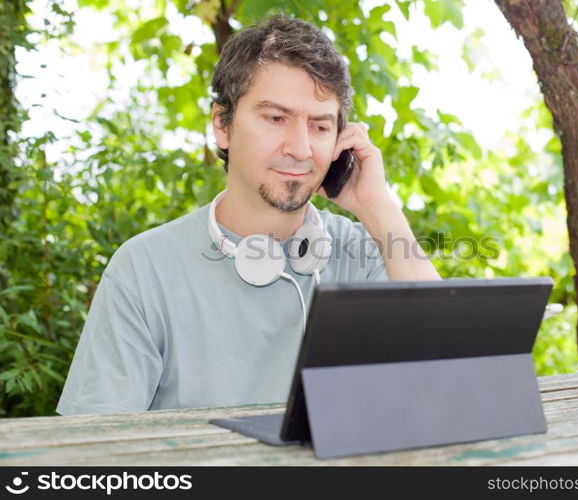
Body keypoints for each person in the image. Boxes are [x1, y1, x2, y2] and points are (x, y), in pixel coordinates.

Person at [57, 14, 440, 416]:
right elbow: (94, 449)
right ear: (222, 126)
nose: (300, 148)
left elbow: (453, 376)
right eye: (276, 118)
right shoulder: (144, 268)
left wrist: (377, 208)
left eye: (320, 126)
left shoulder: (366, 256)